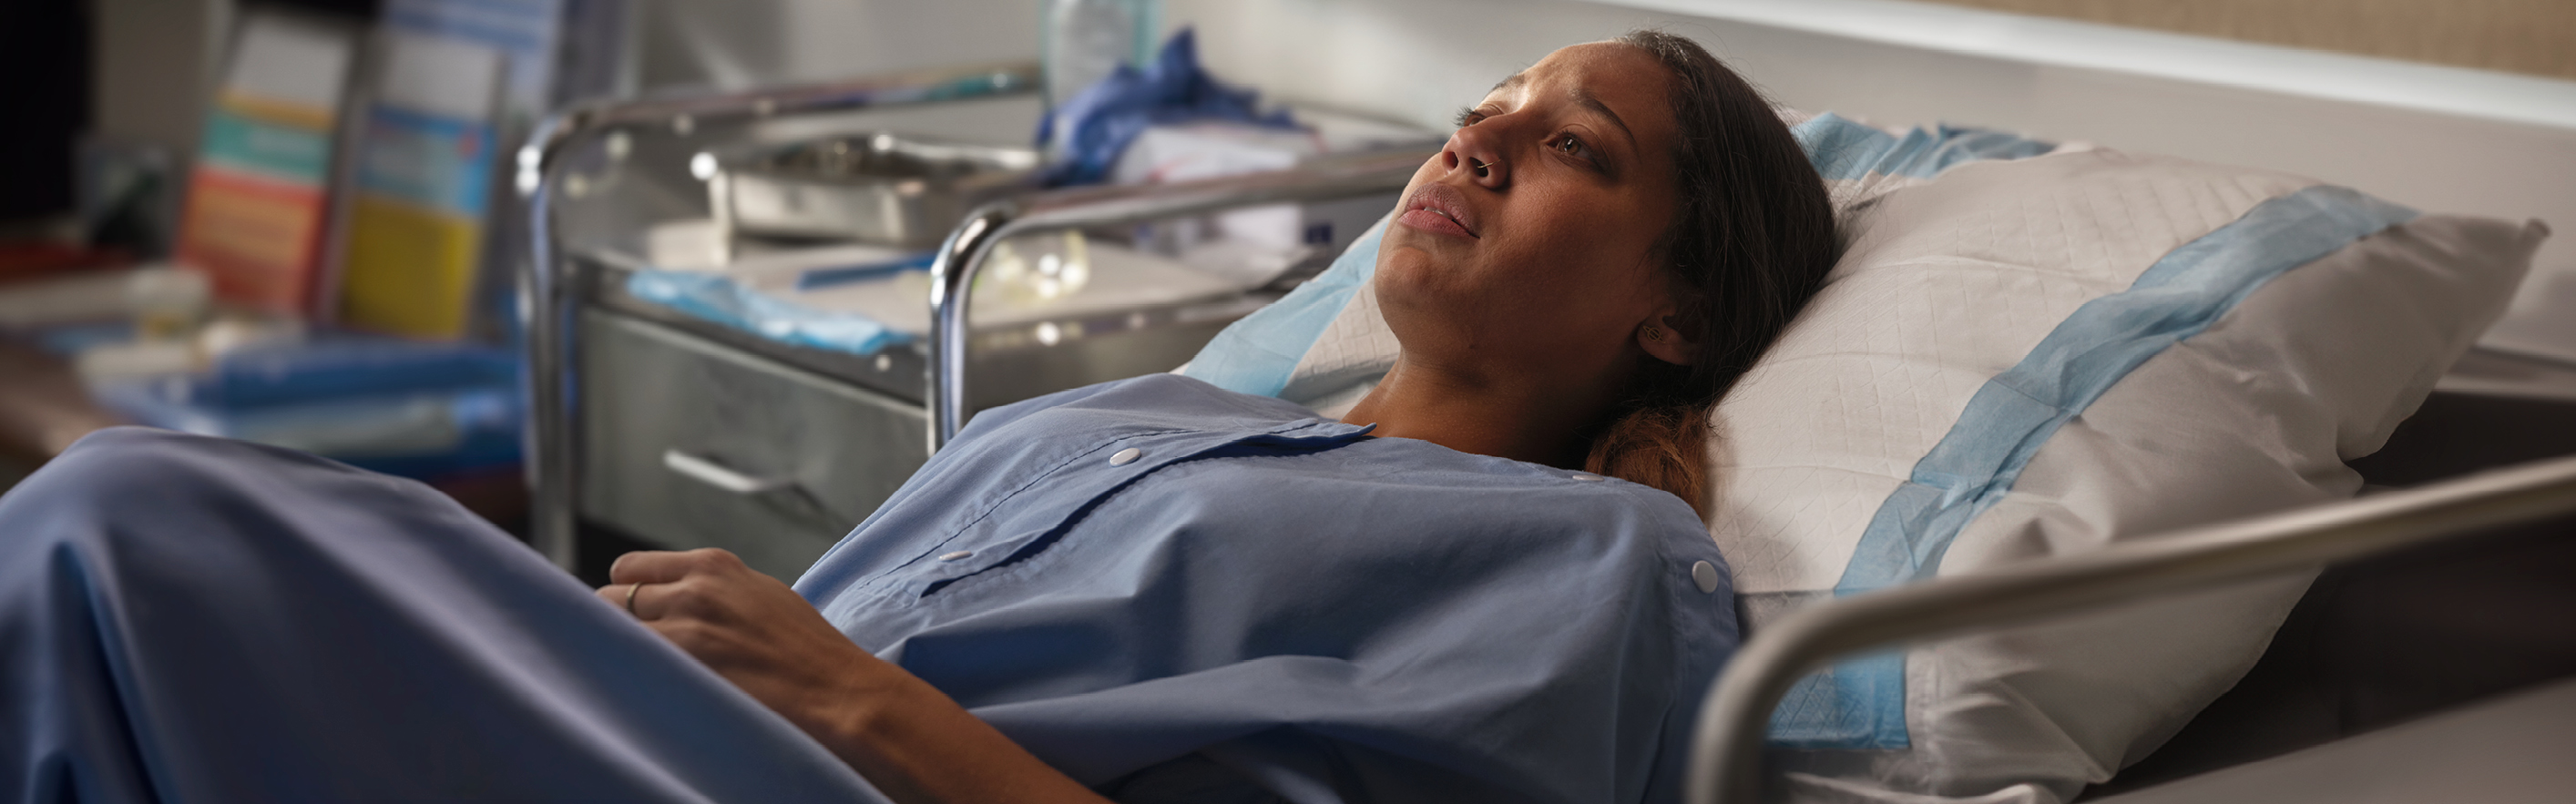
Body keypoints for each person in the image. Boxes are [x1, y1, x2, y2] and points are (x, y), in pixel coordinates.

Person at [0, 31, 1834, 804]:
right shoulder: (1147, 408)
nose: (1479, 136)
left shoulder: (1603, 557)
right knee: (169, 566)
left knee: (130, 523)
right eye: (1487, 104)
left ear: (1674, 309)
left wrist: (851, 691)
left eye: (1571, 146)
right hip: (677, 737)